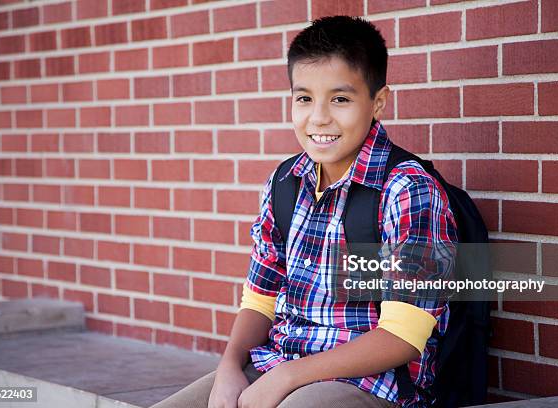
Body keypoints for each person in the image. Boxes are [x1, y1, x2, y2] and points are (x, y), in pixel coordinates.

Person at [151, 15, 457, 408]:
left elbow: (403, 336)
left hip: (369, 383)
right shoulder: (285, 184)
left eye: (340, 99)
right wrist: (229, 367)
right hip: (277, 363)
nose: (319, 117)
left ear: (377, 102)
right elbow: (260, 299)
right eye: (304, 98)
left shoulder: (407, 191)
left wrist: (286, 378)